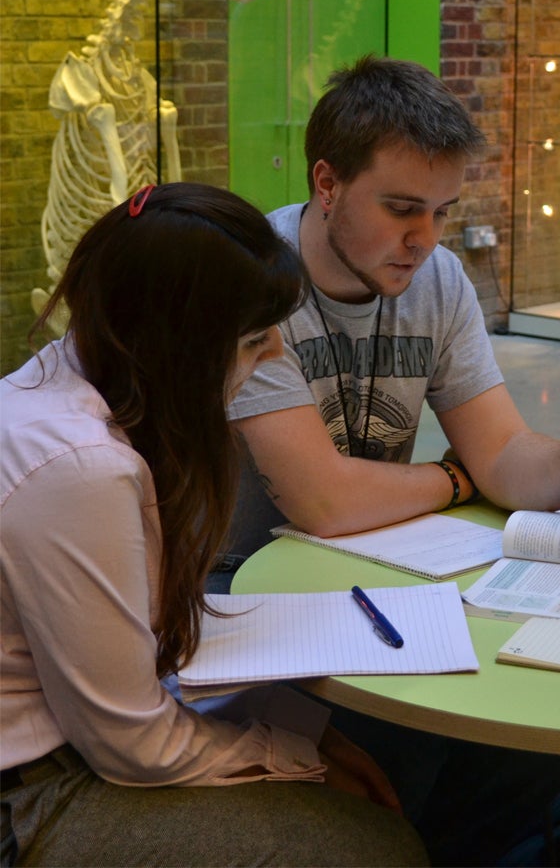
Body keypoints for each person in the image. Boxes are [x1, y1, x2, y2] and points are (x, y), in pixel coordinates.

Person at [221, 56, 560, 865]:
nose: (426, 240)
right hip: (241, 595)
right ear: (327, 184)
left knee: (540, 731)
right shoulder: (256, 281)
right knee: (407, 750)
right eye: (402, 209)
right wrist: (456, 479)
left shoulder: (436, 281)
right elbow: (322, 504)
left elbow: (504, 451)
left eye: (441, 211)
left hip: (380, 579)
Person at [0, 182, 427, 868]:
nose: (276, 358)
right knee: (372, 850)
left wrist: (298, 734)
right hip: (32, 787)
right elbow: (131, 741)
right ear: (179, 346)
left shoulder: (71, 380)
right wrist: (291, 756)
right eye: (255, 339)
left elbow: (139, 659)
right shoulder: (80, 469)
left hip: (77, 737)